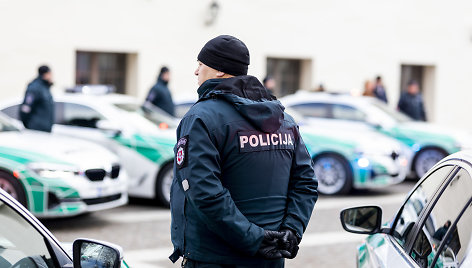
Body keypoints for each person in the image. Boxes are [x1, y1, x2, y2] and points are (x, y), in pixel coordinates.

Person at [169, 35, 318, 268]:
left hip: (215, 258)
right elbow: (306, 183)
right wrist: (291, 231)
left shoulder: (201, 118)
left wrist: (256, 240)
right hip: (271, 258)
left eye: (200, 64)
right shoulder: (283, 120)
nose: (196, 71)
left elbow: (204, 193)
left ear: (219, 70)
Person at [19, 65, 55, 132]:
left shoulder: (45, 88)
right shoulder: (34, 88)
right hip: (36, 131)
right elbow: (26, 108)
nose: (51, 77)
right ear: (46, 74)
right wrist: (28, 125)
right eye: (50, 74)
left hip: (44, 130)